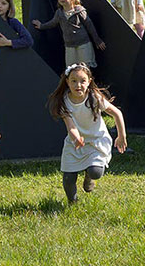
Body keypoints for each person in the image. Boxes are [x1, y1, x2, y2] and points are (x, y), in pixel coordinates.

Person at [47, 63, 128, 203]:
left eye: (82, 81)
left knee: (95, 172)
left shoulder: (94, 97)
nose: (78, 85)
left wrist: (121, 136)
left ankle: (89, 177)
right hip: (76, 143)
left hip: (97, 141)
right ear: (67, 82)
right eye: (73, 81)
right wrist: (76, 138)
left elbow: (117, 113)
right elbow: (70, 126)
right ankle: (72, 203)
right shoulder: (64, 101)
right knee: (68, 178)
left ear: (89, 81)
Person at [33, 0, 105, 67]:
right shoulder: (59, 13)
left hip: (83, 44)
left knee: (85, 67)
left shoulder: (79, 11)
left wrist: (97, 40)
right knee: (71, 68)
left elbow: (89, 25)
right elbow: (52, 23)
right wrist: (41, 26)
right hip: (69, 46)